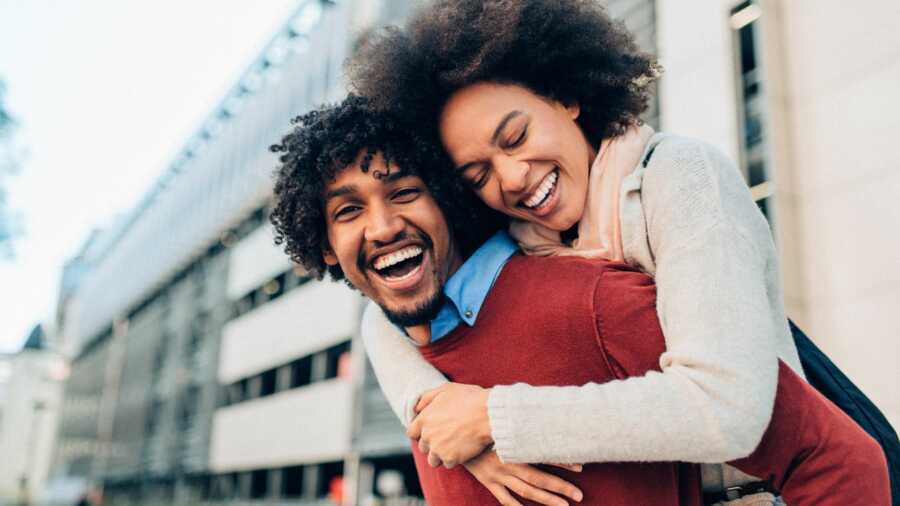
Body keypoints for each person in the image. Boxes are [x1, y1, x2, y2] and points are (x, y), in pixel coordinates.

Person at [344, 1, 893, 502]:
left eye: (515, 138)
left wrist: (493, 419)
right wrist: (439, 418)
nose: (511, 178)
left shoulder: (677, 175)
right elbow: (382, 320)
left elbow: (728, 409)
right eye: (478, 173)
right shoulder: (528, 242)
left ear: (567, 98)